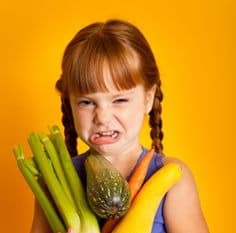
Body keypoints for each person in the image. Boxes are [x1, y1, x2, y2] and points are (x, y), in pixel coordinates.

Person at [30, 19, 209, 233]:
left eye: (120, 100)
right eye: (87, 102)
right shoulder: (54, 184)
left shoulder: (173, 179)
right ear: (69, 104)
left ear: (148, 98)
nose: (102, 118)